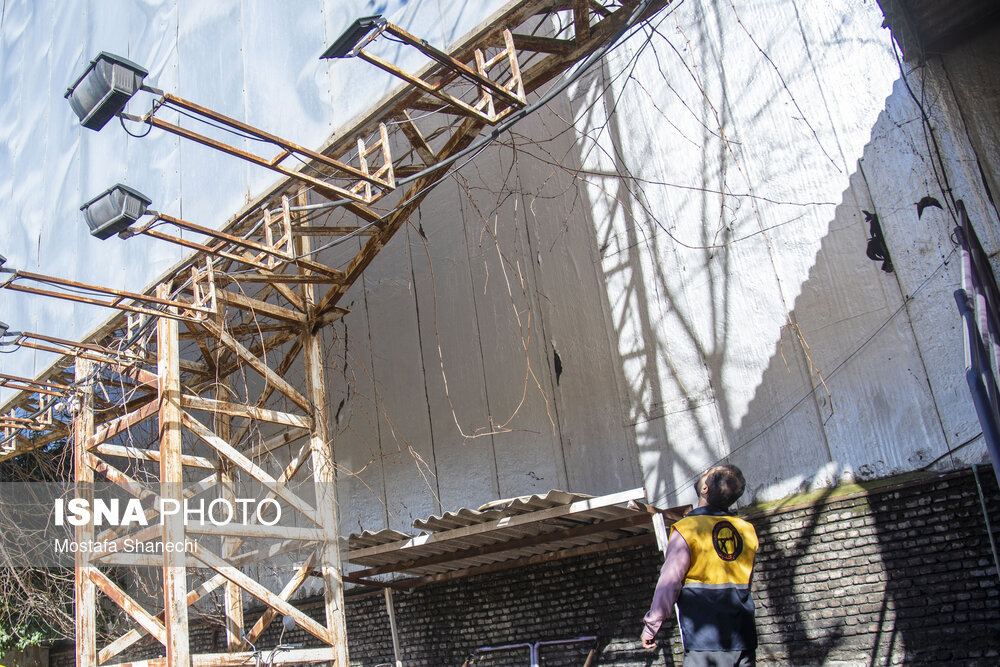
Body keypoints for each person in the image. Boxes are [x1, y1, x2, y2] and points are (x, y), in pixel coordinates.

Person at [641, 465, 758, 666]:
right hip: (744, 638)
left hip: (706, 640)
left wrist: (651, 626)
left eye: (707, 473)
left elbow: (669, 583)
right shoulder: (747, 530)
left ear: (705, 489)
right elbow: (747, 581)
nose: (704, 473)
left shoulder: (688, 529)